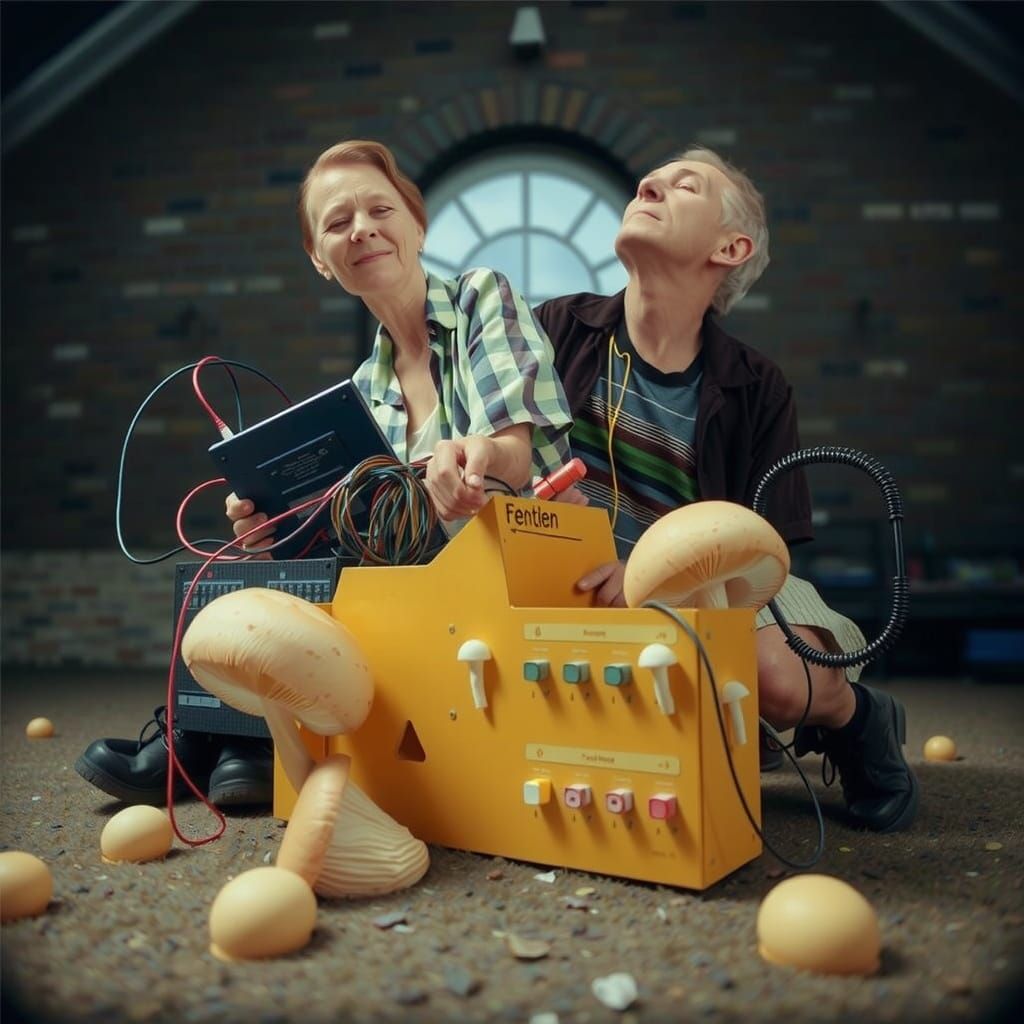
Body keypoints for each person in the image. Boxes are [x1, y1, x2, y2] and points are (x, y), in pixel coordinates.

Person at [76, 139, 574, 809]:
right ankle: (207, 741)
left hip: (502, 579)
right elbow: (363, 540)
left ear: (416, 225)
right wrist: (275, 535)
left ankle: (243, 745)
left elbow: (516, 449)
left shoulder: (482, 297)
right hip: (414, 593)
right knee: (236, 566)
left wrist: (478, 460)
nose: (361, 229)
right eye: (337, 223)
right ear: (320, 259)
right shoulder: (364, 390)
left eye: (379, 209)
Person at [533, 146, 918, 834]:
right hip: (580, 582)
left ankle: (858, 722)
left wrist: (658, 581)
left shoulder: (756, 384)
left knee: (777, 679)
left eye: (686, 186)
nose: (649, 182)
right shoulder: (553, 329)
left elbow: (763, 550)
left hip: (722, 581)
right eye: (653, 178)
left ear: (730, 247)